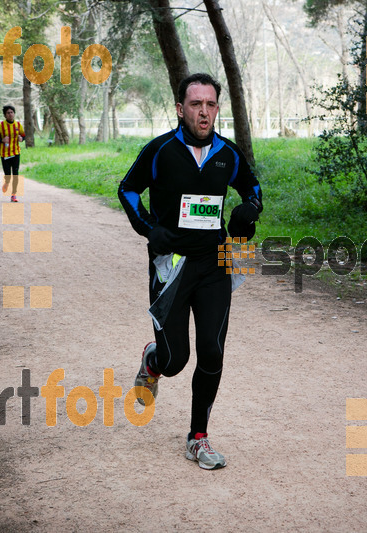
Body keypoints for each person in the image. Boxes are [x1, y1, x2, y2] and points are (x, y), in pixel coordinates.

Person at [118, 73, 263, 470]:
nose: (204, 111)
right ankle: (154, 361)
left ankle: (198, 437)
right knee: (176, 359)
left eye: (211, 104)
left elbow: (253, 189)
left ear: (218, 109)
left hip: (216, 263)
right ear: (180, 109)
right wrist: (150, 229)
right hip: (173, 266)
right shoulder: (161, 150)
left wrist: (250, 209)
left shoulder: (227, 154)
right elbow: (128, 189)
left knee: (213, 350)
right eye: (196, 104)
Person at [0, 105, 25, 202]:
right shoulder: (0, 126)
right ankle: (6, 182)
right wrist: (1, 140)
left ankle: (14, 194)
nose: (10, 114)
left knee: (15, 173)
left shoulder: (18, 125)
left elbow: (23, 135)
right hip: (5, 154)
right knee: (8, 175)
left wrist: (21, 139)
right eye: (8, 113)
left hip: (16, 152)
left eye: (12, 112)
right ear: (5, 115)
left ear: (14, 114)